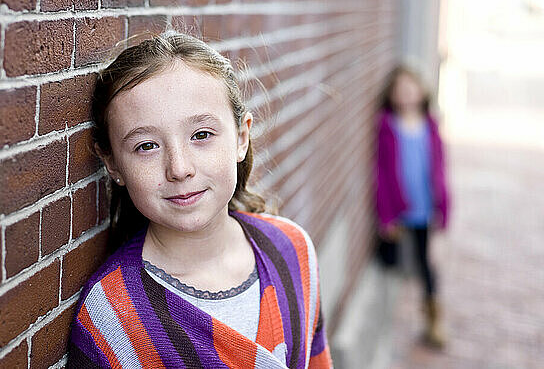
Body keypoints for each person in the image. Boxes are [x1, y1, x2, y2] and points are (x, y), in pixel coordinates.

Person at [67, 31, 333, 368]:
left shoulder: (291, 249)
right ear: (113, 163)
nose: (179, 168)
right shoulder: (113, 314)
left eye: (201, 135)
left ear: (241, 137)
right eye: (146, 146)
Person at [374, 64, 450, 349]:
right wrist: (385, 215)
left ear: (422, 91)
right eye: (399, 89)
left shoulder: (430, 124)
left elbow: (441, 168)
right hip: (397, 208)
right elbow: (381, 172)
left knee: (427, 265)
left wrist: (443, 211)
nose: (405, 95)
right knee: (389, 260)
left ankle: (433, 319)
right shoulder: (386, 124)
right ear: (392, 94)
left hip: (424, 207)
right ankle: (383, 325)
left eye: (411, 88)